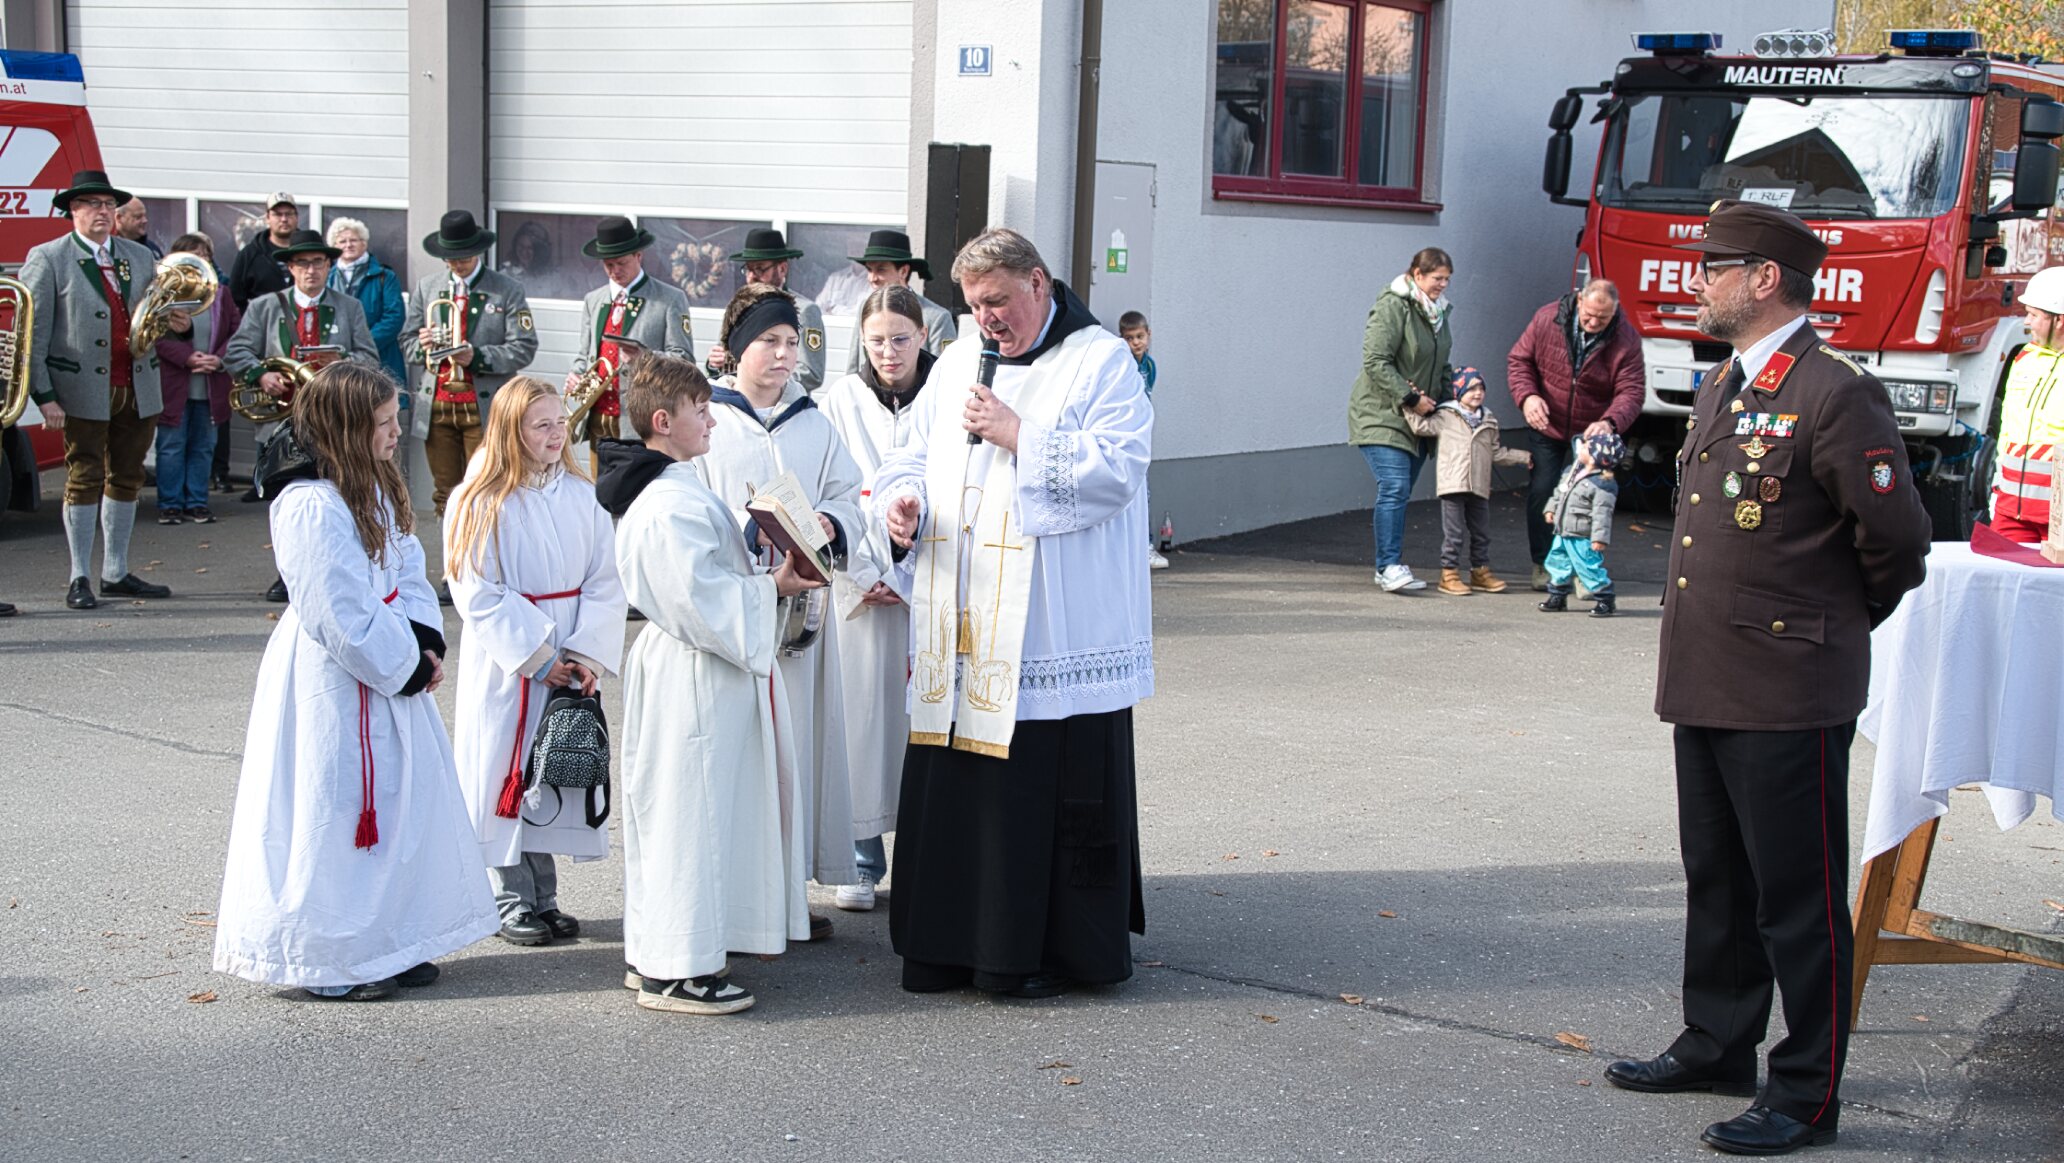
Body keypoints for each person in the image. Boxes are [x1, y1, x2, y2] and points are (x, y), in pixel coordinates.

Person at [1607, 201, 1932, 1156]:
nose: (1696, 282)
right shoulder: (1729, 379)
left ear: (1762, 280)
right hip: (1709, 672)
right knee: (1718, 876)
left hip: (1788, 683)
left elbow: (1897, 541)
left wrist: (1827, 626)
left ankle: (1805, 1091)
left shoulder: (1834, 392)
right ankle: (1718, 1040)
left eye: (1712, 267)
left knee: (1797, 899)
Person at [875, 227, 1152, 999]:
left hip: (1053, 629)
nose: (985, 319)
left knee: (1039, 790)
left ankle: (1042, 951)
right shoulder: (959, 358)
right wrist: (902, 505)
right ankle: (943, 946)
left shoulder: (1100, 361)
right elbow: (910, 454)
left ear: (1038, 282)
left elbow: (1120, 467)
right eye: (973, 305)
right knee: (958, 790)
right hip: (961, 623)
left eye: (997, 301)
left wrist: (1018, 434)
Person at [212, 361, 498, 1002]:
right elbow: (336, 608)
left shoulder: (373, 484)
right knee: (338, 809)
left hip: (391, 656)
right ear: (346, 427)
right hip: (335, 678)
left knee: (398, 805)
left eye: (396, 419)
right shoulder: (310, 503)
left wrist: (425, 639)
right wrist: (401, 664)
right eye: (384, 423)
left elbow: (408, 565)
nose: (397, 433)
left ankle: (389, 940)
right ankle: (334, 958)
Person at [595, 354, 822, 1015]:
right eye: (701, 411)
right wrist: (772, 585)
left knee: (691, 814)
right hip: (693, 673)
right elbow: (700, 599)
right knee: (688, 818)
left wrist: (768, 580)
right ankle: (677, 970)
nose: (712, 422)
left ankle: (662, 953)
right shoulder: (667, 503)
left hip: (698, 669)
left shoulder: (676, 486)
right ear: (663, 422)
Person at [695, 282, 864, 932]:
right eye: (769, 340)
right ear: (737, 347)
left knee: (794, 755)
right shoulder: (709, 422)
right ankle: (735, 902)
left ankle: (787, 898)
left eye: (792, 342)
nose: (784, 354)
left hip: (799, 622)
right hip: (737, 614)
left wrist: (829, 521)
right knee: (739, 755)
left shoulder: (812, 424)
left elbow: (850, 495)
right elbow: (687, 505)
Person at [445, 376, 627, 948]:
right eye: (541, 425)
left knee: (552, 772)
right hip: (511, 663)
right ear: (510, 430)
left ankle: (544, 898)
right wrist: (538, 657)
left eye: (560, 422)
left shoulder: (582, 494)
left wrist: (585, 653)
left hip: (570, 651)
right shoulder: (479, 498)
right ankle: (509, 899)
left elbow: (606, 579)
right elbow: (476, 590)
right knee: (505, 773)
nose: (556, 434)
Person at [818, 285, 935, 912]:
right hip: (858, 587)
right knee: (859, 721)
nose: (888, 352)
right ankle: (861, 858)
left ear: (923, 335)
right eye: (876, 341)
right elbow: (832, 495)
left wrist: (907, 573)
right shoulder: (839, 401)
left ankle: (924, 861)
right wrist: (867, 572)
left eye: (900, 338)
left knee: (924, 726)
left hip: (931, 581)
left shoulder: (946, 395)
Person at [19, 169, 173, 611]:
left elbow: (151, 316)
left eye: (108, 205)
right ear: (73, 210)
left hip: (138, 385)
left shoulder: (138, 255)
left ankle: (115, 571)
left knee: (128, 476)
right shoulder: (48, 257)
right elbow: (32, 333)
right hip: (80, 388)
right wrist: (44, 396)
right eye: (92, 204)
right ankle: (78, 576)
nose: (103, 212)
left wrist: (174, 320)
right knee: (84, 476)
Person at [224, 228, 381, 602]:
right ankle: (287, 573)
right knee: (286, 500)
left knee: (338, 496)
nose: (311, 270)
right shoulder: (265, 306)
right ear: (290, 268)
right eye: (302, 263)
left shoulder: (349, 307)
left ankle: (338, 569)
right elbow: (236, 352)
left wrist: (342, 360)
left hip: (333, 420)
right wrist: (261, 375)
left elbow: (370, 358)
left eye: (318, 262)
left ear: (328, 266)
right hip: (283, 420)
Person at [401, 210, 540, 521]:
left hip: (484, 407)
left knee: (487, 487)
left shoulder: (507, 289)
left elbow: (524, 347)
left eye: (463, 256)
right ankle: (451, 550)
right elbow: (407, 344)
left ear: (478, 251)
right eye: (450, 257)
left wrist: (476, 357)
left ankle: (487, 548)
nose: (456, 263)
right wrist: (424, 345)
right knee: (445, 493)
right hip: (437, 404)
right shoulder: (427, 287)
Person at [1507, 279, 1645, 590]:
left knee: (1590, 497)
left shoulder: (1626, 338)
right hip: (1547, 422)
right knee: (1543, 490)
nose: (1594, 323)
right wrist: (1527, 397)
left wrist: (1610, 422)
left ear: (1615, 312)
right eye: (1589, 315)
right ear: (1579, 300)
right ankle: (1544, 564)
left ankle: (1585, 569)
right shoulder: (1546, 319)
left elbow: (1632, 391)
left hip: (1593, 432)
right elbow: (1520, 361)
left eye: (1603, 318)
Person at [1349, 247, 1454, 594]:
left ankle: (1390, 564)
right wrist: (1410, 398)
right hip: (1381, 414)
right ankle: (1388, 566)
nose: (1443, 285)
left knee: (1401, 491)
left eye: (1447, 279)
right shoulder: (1393, 306)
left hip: (1419, 421)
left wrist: (1453, 404)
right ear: (1417, 274)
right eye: (1437, 278)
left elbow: (1442, 366)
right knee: (1394, 486)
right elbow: (1375, 360)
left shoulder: (1439, 313)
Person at [568, 216, 693, 463]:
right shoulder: (594, 300)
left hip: (641, 421)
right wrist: (577, 376)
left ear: (638, 256)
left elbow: (685, 360)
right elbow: (585, 355)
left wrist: (646, 358)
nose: (615, 271)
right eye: (608, 265)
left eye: (622, 263)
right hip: (598, 418)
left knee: (638, 485)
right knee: (600, 486)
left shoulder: (670, 299)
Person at [1403, 366, 1530, 596]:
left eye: (1481, 388)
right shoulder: (1446, 416)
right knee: (1454, 534)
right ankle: (1449, 573)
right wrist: (1408, 403)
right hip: (1453, 483)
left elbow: (1496, 453)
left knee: (1481, 532)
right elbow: (1421, 426)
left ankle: (1480, 571)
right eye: (1471, 389)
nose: (1477, 393)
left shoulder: (1488, 420)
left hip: (1479, 485)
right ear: (1458, 391)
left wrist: (1524, 457)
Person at [153, 233, 242, 525]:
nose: (200, 260)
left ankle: (197, 502)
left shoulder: (222, 294)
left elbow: (237, 333)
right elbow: (154, 336)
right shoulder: (164, 293)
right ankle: (170, 504)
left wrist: (218, 359)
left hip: (211, 384)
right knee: (171, 446)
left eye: (204, 255)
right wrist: (187, 357)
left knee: (204, 446)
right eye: (193, 255)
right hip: (175, 384)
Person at [1985, 265, 2064, 542]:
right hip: (2011, 510)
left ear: (2059, 320)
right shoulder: (2024, 359)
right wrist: (1997, 485)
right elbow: (2008, 431)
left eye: (2034, 315)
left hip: (2058, 518)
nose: (2026, 322)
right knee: (1997, 570)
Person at [707, 229, 827, 392]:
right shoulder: (738, 307)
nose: (751, 276)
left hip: (784, 403)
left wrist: (765, 380)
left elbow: (811, 373)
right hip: (736, 398)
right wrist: (715, 364)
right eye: (748, 269)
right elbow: (723, 360)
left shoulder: (804, 310)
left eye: (760, 269)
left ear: (782, 269)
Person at [841, 229, 957, 374]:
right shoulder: (865, 308)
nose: (872, 278)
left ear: (903, 271)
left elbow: (945, 374)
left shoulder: (935, 317)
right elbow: (854, 366)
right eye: (869, 270)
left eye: (881, 270)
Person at [1535, 431, 1621, 616]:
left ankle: (1605, 598)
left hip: (1582, 535)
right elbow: (1560, 492)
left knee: (1588, 567)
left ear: (1596, 458)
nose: (1580, 448)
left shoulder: (1602, 484)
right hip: (1563, 531)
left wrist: (1599, 538)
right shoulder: (1572, 472)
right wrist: (1551, 508)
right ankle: (1557, 596)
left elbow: (1602, 514)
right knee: (1557, 562)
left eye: (1587, 448)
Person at [326, 217, 410, 399]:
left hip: (381, 358)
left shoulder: (385, 276)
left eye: (353, 240)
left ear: (364, 243)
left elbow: (394, 317)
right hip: (337, 363)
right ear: (334, 246)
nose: (348, 245)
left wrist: (363, 346)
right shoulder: (327, 278)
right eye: (342, 241)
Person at [1119, 311, 1167, 570]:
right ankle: (1132, 547)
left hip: (1142, 435)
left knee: (1143, 492)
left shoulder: (1150, 366)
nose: (1135, 342)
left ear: (1149, 335)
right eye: (1129, 338)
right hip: (1125, 435)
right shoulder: (1123, 365)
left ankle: (1145, 546)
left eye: (1139, 336)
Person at [227, 192, 297, 310]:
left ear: (296, 217)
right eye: (278, 214)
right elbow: (235, 297)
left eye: (289, 214)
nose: (284, 219)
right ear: (267, 218)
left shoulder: (310, 251)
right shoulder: (249, 255)